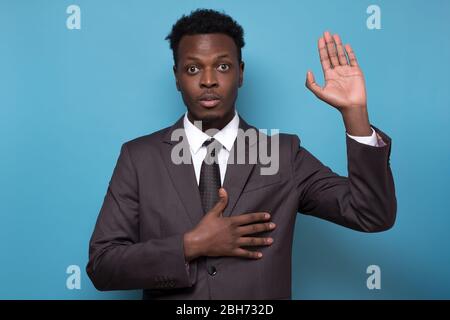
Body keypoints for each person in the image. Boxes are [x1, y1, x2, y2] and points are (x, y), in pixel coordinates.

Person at [86, 9, 396, 300]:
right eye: (193, 68)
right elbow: (103, 266)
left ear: (241, 73)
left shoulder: (283, 153)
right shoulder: (139, 157)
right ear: (177, 77)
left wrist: (354, 114)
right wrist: (191, 245)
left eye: (222, 66)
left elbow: (371, 214)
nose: (208, 80)